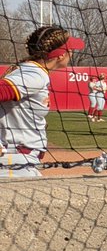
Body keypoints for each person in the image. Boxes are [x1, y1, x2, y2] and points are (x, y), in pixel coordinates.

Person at [0, 26, 84, 178]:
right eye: (70, 49)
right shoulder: (35, 75)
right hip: (15, 163)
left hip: (19, 160)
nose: (72, 53)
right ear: (60, 55)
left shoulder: (32, 70)